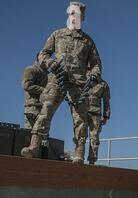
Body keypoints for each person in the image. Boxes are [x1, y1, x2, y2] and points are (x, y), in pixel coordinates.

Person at [21, 2, 102, 164]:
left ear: (83, 18)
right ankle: (34, 147)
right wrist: (48, 62)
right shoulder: (57, 34)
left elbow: (96, 64)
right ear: (68, 15)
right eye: (72, 14)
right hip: (57, 78)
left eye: (78, 15)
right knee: (46, 110)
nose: (74, 17)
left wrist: (94, 75)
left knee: (80, 119)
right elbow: (43, 54)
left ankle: (79, 154)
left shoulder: (88, 42)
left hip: (78, 83)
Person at [87, 78, 110, 165]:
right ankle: (79, 158)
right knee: (80, 134)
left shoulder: (103, 84)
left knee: (94, 137)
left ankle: (92, 160)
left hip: (95, 114)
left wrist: (106, 116)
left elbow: (106, 101)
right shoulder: (82, 78)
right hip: (82, 111)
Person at [21, 57, 48, 129]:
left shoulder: (46, 74)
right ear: (38, 58)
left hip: (43, 108)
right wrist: (44, 90)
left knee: (42, 135)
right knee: (29, 135)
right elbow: (27, 86)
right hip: (33, 108)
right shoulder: (31, 69)